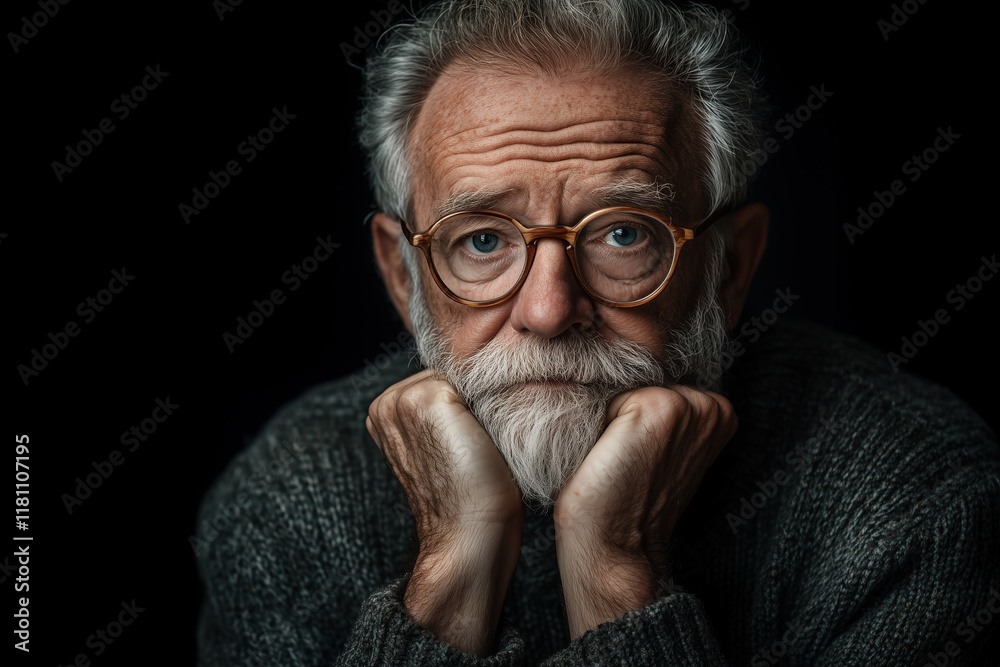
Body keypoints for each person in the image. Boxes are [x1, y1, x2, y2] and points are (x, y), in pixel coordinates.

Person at [194, 1, 1000, 664]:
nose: (548, 311)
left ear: (728, 268)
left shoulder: (916, 494)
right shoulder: (290, 494)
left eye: (623, 234)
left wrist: (619, 573)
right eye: (483, 239)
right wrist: (446, 580)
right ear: (403, 275)